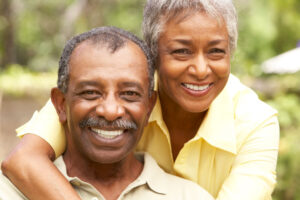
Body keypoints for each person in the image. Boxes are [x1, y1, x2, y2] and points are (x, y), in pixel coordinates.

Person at [1, 0, 280, 199]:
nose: (200, 69)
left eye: (216, 52)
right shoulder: (113, 96)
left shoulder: (255, 122)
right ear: (151, 55)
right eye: (181, 51)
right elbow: (24, 161)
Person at [0, 26, 214, 200]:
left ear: (149, 107)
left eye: (129, 93)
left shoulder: (190, 196)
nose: (110, 111)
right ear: (60, 104)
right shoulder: (9, 191)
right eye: (91, 93)